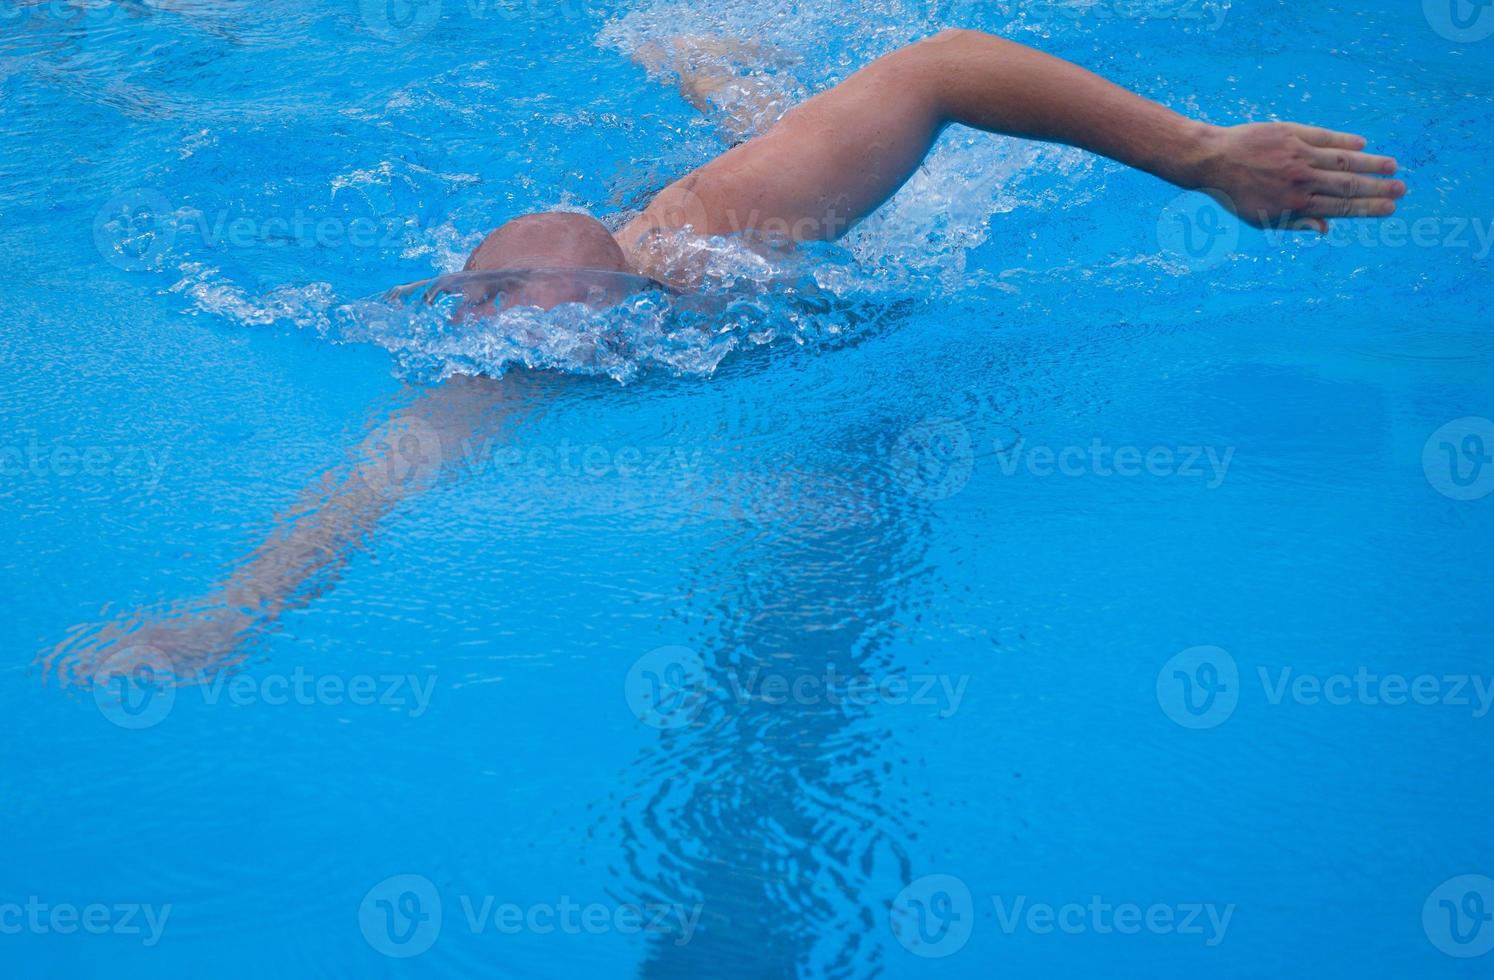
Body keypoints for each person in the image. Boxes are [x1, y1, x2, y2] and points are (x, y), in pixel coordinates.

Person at [46, 29, 1404, 686]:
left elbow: (939, 64)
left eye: (564, 296)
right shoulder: (502, 373)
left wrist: (1197, 154)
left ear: (625, 291)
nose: (538, 325)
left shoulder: (704, 254)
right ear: (461, 310)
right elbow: (369, 487)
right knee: (762, 167)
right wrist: (229, 614)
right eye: (513, 306)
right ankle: (725, 84)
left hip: (765, 252)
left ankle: (710, 64)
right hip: (726, 258)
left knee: (780, 188)